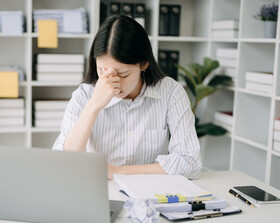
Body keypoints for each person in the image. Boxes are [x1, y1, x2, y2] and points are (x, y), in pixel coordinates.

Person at [53, 15, 201, 180]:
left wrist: (115, 172)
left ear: (144, 64)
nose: (111, 82)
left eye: (122, 74)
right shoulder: (83, 96)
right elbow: (65, 162)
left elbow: (190, 162)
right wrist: (94, 105)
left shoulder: (171, 92)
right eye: (102, 70)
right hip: (100, 190)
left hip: (149, 193)